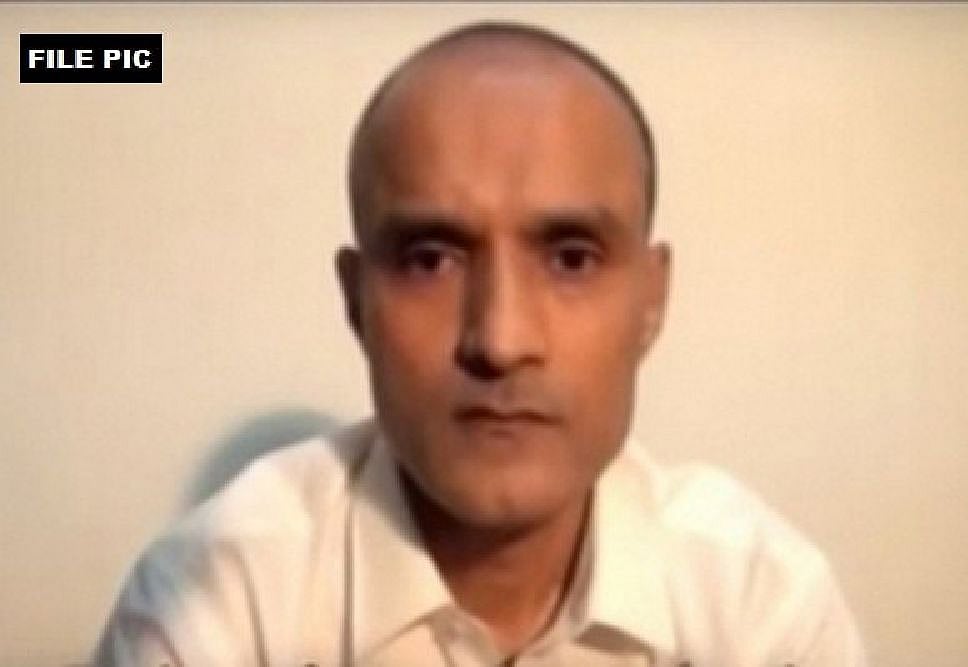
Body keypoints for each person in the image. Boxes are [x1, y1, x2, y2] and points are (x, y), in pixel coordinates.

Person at [95, 21, 866, 666]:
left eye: (572, 258)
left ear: (651, 300)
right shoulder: (217, 600)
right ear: (357, 302)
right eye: (430, 259)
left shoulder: (763, 605)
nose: (500, 339)